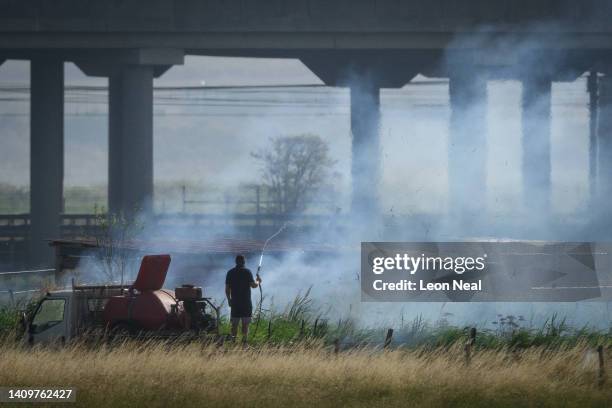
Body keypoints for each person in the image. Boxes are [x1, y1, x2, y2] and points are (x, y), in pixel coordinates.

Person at [225, 254, 261, 345]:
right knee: (245, 324)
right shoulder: (247, 272)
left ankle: (233, 342)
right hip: (246, 303)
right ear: (244, 262)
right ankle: (244, 342)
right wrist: (258, 280)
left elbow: (227, 289)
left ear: (236, 262)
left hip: (235, 303)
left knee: (234, 324)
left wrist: (229, 300)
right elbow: (254, 286)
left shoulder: (230, 272)